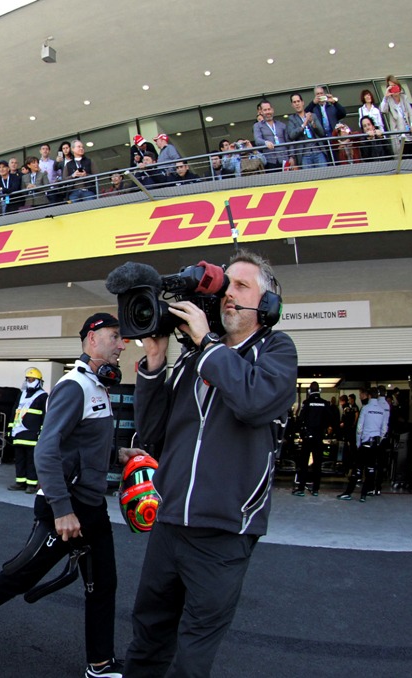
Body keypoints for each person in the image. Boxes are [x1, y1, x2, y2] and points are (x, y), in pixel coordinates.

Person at [124, 250, 297, 677]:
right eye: (226, 287)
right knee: (146, 637)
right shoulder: (191, 360)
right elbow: (152, 435)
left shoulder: (277, 350)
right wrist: (155, 363)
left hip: (224, 532)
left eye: (241, 287)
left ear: (268, 305)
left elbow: (255, 403)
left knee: (193, 655)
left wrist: (207, 343)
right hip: (169, 523)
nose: (229, 296)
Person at [0, 313, 126, 678]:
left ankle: (100, 664)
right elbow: (47, 450)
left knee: (103, 585)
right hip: (67, 508)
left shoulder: (98, 386)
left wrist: (118, 455)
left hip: (92, 509)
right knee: (20, 577)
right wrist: (62, 510)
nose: (122, 345)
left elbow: (84, 444)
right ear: (93, 339)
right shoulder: (73, 386)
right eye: (116, 337)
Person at [339, 386, 388, 501]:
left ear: (370, 396)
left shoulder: (365, 409)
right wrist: (379, 439)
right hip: (375, 443)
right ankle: (364, 495)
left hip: (365, 443)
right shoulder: (382, 410)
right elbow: (385, 428)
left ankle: (348, 492)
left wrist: (358, 442)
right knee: (371, 469)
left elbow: (359, 428)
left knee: (357, 468)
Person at [7, 368, 48, 494]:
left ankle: (31, 484)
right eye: (28, 379)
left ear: (39, 381)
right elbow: (15, 411)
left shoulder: (43, 396)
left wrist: (42, 432)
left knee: (31, 460)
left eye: (33, 379)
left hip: (32, 434)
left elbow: (45, 416)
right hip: (19, 433)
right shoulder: (22, 394)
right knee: (19, 459)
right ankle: (20, 482)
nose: (30, 381)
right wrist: (10, 429)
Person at [293, 382, 335, 497]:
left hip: (308, 437)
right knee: (317, 463)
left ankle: (301, 488)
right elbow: (331, 417)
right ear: (319, 390)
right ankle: (316, 489)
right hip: (318, 437)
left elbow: (300, 419)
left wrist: (301, 432)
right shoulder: (324, 403)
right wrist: (324, 428)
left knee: (304, 463)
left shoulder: (307, 403)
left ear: (309, 391)